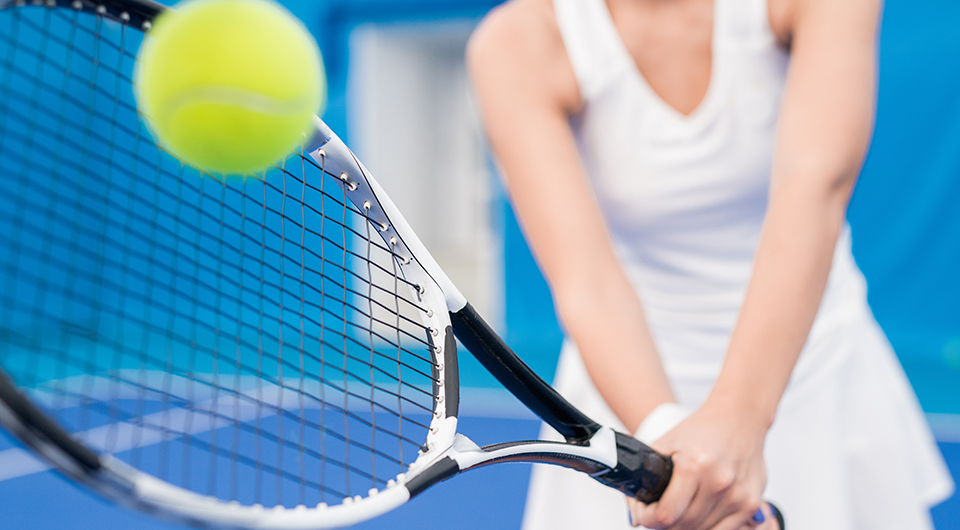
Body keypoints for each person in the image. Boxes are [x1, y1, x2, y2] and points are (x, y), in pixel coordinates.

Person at [466, 0, 955, 528]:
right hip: (629, 388)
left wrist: (740, 426)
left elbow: (814, 193)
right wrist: (667, 437)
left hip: (814, 379)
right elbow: (587, 279)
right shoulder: (514, 44)